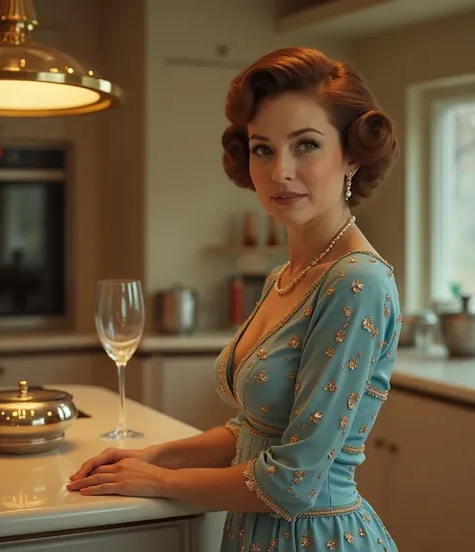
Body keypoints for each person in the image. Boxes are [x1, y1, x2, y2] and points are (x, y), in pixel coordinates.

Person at [68, 46, 402, 551]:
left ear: (352, 154)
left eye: (306, 145)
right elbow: (253, 431)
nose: (279, 171)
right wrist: (155, 457)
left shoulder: (357, 282)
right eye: (263, 149)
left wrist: (158, 482)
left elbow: (294, 481)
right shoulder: (285, 276)